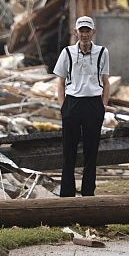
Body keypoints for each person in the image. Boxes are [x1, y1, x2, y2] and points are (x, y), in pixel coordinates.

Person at [53, 16, 110, 197]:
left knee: (91, 152)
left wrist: (103, 105)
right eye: (81, 31)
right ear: (75, 32)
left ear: (93, 32)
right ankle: (67, 194)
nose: (84, 34)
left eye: (87, 31)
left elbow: (106, 82)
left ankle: (88, 193)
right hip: (73, 103)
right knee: (68, 152)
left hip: (93, 104)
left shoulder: (102, 52)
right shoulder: (67, 53)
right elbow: (60, 82)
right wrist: (63, 107)